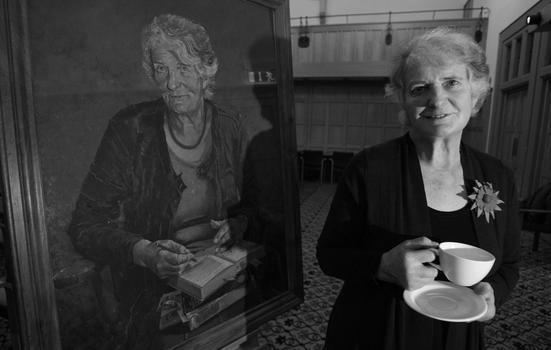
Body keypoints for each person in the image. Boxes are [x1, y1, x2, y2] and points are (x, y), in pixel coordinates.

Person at [317, 27, 520, 350]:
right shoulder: (370, 168)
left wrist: (493, 292)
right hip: (375, 331)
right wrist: (382, 267)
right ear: (404, 101)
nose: (437, 99)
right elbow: (329, 255)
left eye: (452, 82)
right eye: (420, 88)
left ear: (476, 94)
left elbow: (509, 263)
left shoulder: (497, 175)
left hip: (457, 338)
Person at [68, 14, 257, 349]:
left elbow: (252, 208)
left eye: (183, 67)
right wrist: (145, 252)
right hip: (155, 293)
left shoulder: (230, 126)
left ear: (206, 69)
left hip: (224, 277)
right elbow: (85, 225)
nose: (171, 83)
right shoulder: (130, 129)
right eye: (161, 69)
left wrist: (238, 225)